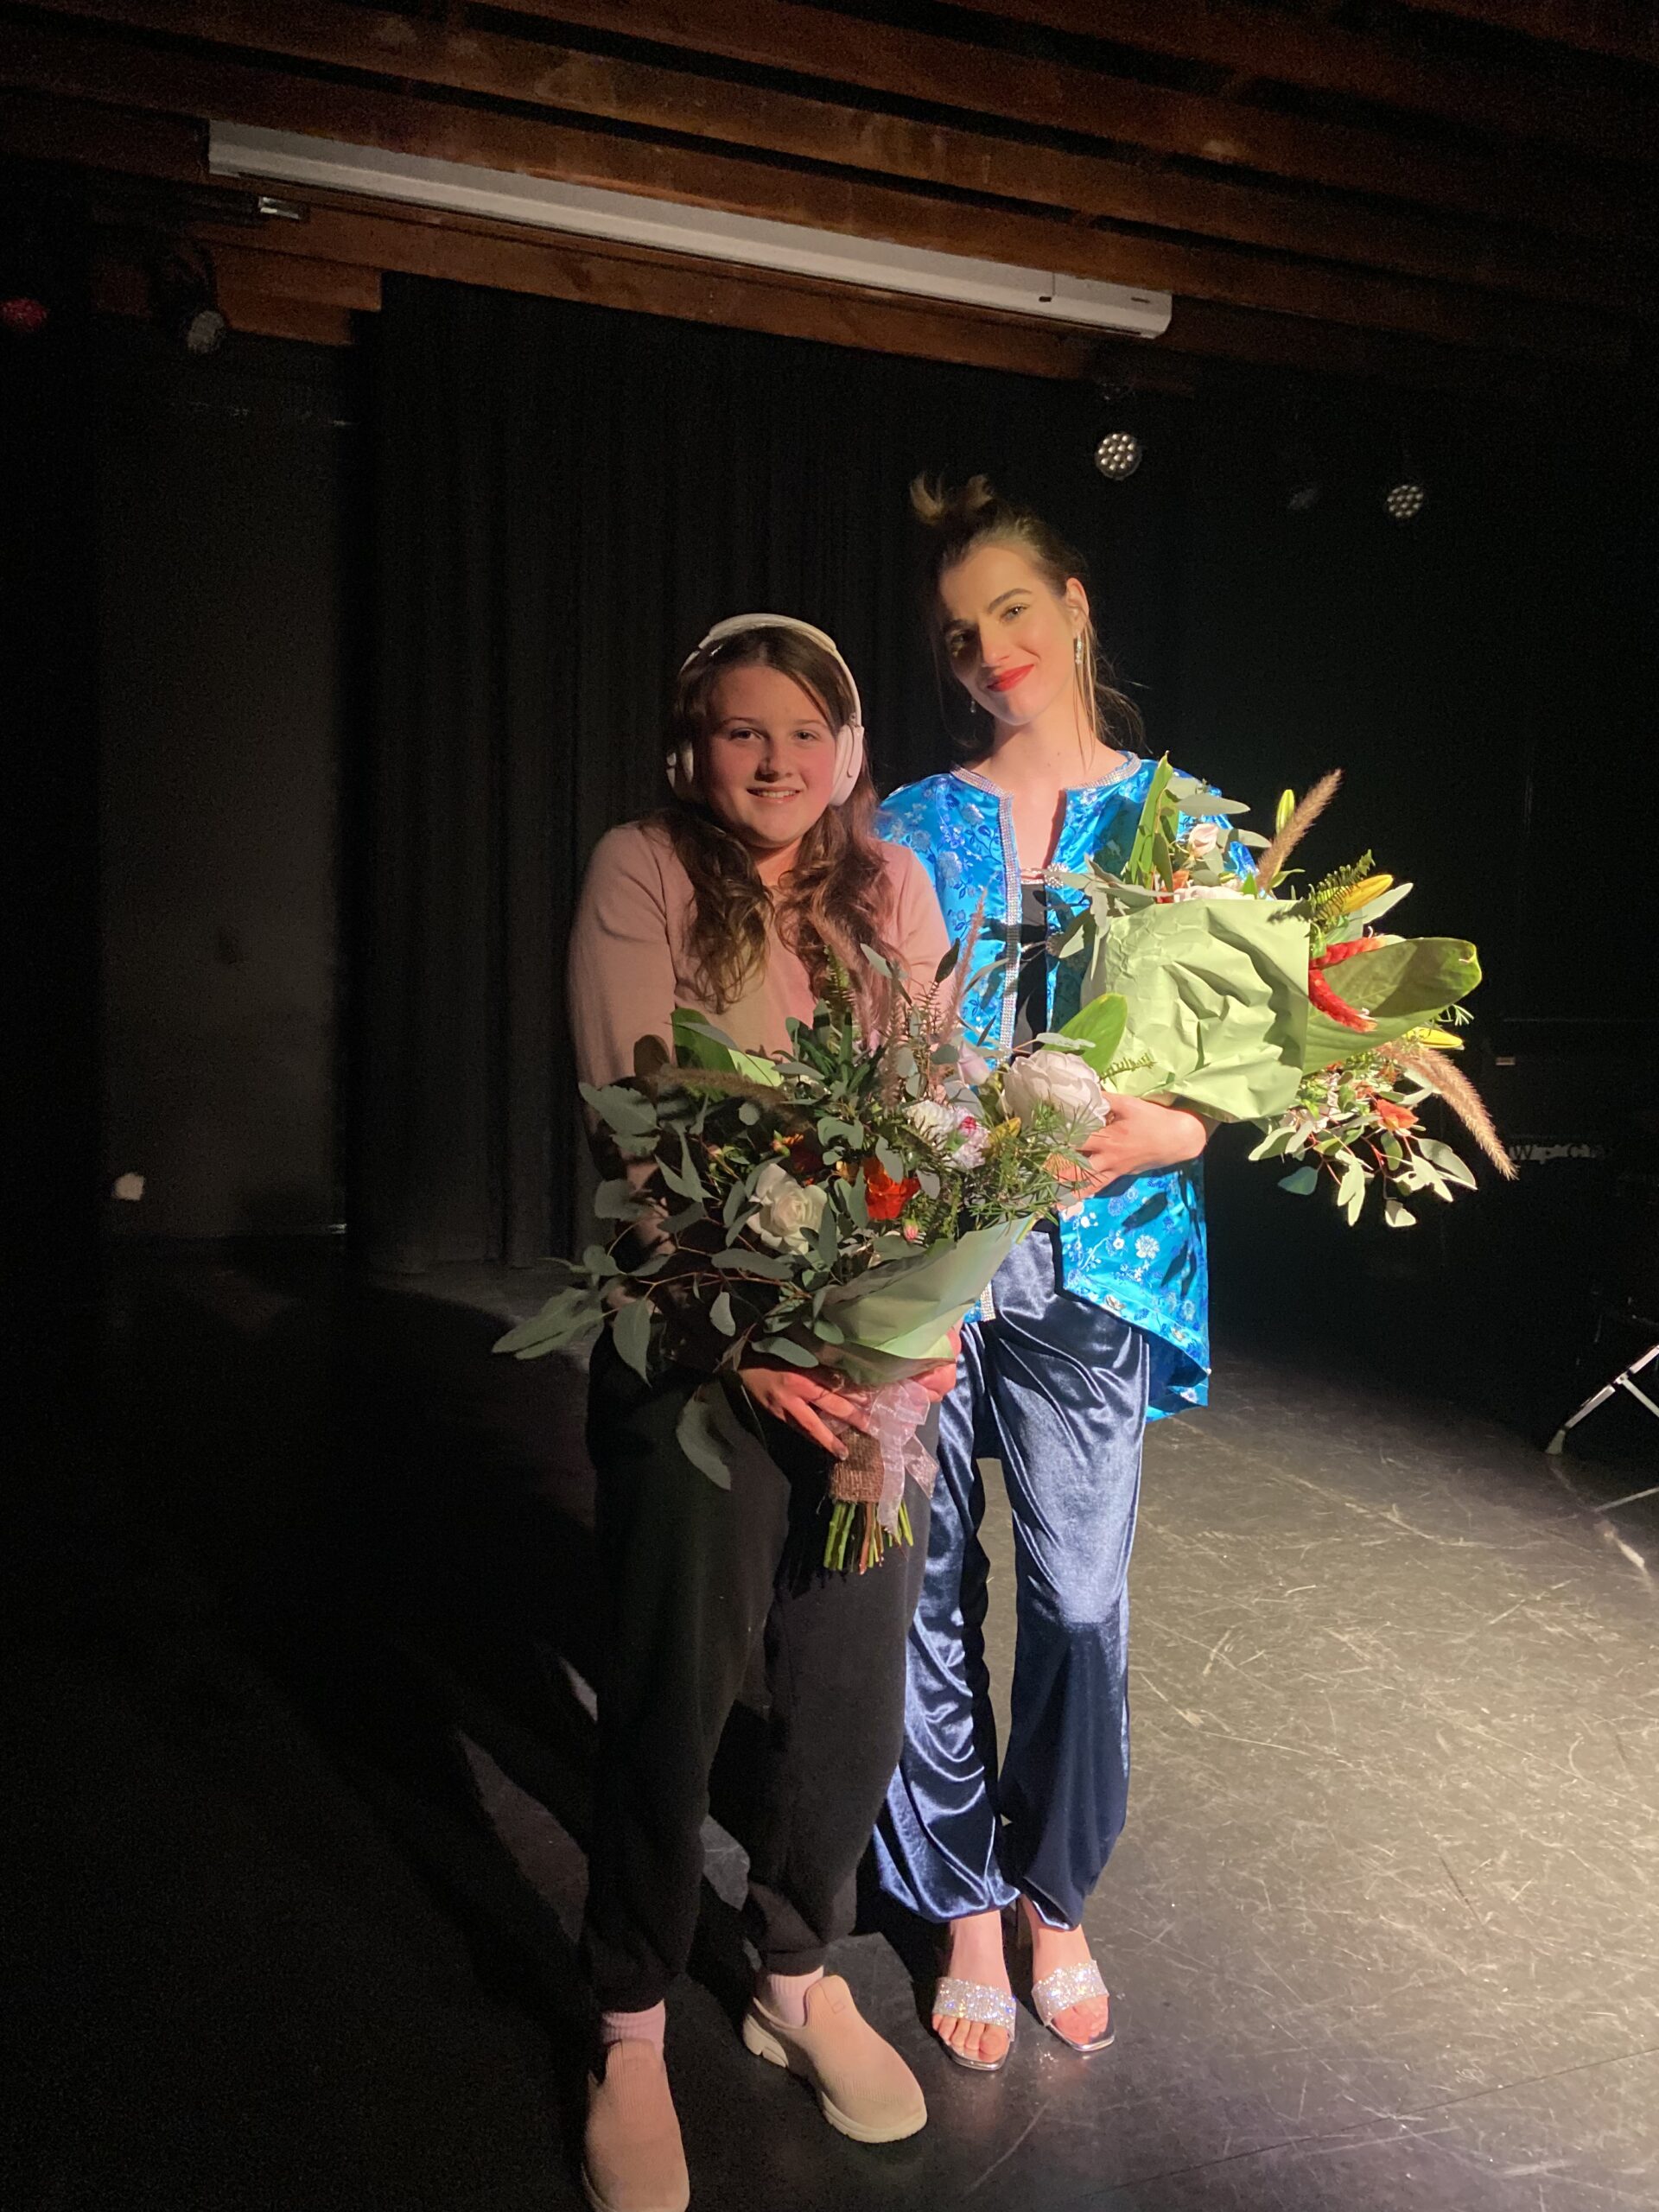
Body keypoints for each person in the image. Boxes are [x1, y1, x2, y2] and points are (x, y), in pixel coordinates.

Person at [567, 614, 955, 2212]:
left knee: (850, 1696)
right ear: (692, 748)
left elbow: (940, 1117)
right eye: (743, 732)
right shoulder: (641, 866)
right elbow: (642, 1122)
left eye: (807, 733)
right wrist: (748, 1344)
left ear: (851, 755)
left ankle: (796, 1973)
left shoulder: (894, 889)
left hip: (864, 1365)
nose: (778, 760)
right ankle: (630, 2021)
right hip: (698, 1351)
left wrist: (921, 1328)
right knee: (677, 1687)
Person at [872, 479, 1224, 2072]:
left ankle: (1053, 1891)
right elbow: (866, 1043)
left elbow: (1244, 1068)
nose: (991, 649)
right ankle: (958, 1903)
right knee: (917, 1593)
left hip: (1103, 1264)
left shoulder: (1191, 822)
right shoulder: (906, 824)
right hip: (935, 1258)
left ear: (1075, 609)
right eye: (963, 634)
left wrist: (1182, 1128)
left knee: (1079, 1604)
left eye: (1016, 610)